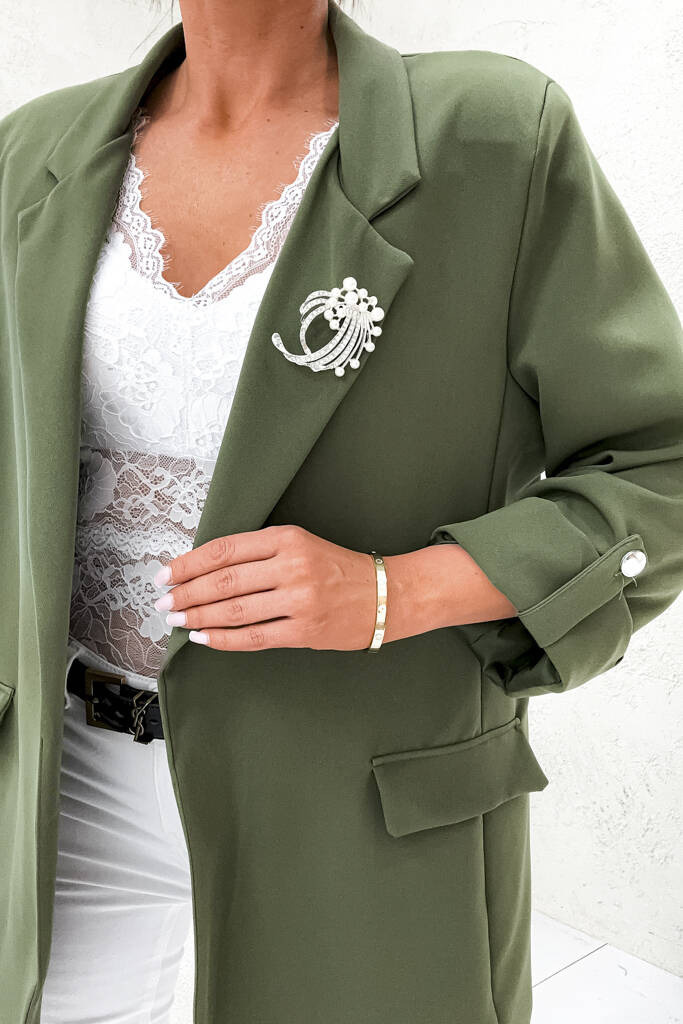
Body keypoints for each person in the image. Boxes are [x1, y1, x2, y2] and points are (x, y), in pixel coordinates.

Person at [1, 1, 682, 1022]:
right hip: (64, 788)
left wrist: (390, 592)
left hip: (358, 795)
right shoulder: (33, 149)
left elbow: (656, 465)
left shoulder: (494, 134)